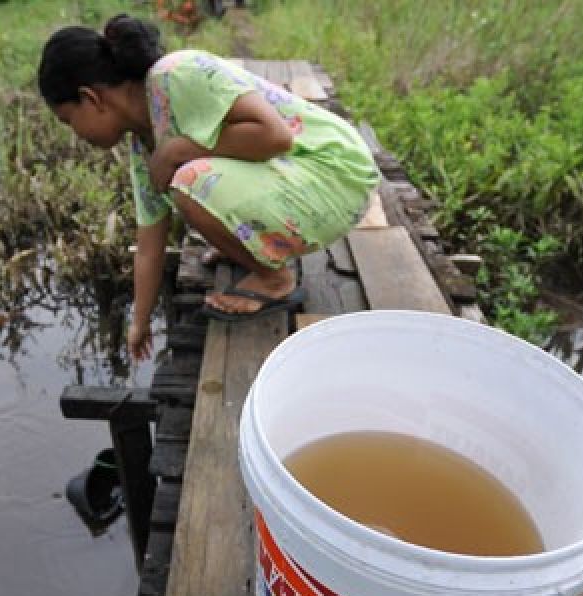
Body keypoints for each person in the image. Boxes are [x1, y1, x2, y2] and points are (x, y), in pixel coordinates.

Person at [38, 14, 379, 361]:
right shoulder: (143, 146)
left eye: (69, 120)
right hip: (302, 183)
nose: (74, 133)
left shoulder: (178, 73)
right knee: (185, 181)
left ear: (91, 98)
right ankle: (249, 249)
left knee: (190, 181)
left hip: (337, 174)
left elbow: (275, 136)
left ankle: (275, 281)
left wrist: (177, 149)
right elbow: (148, 245)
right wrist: (138, 323)